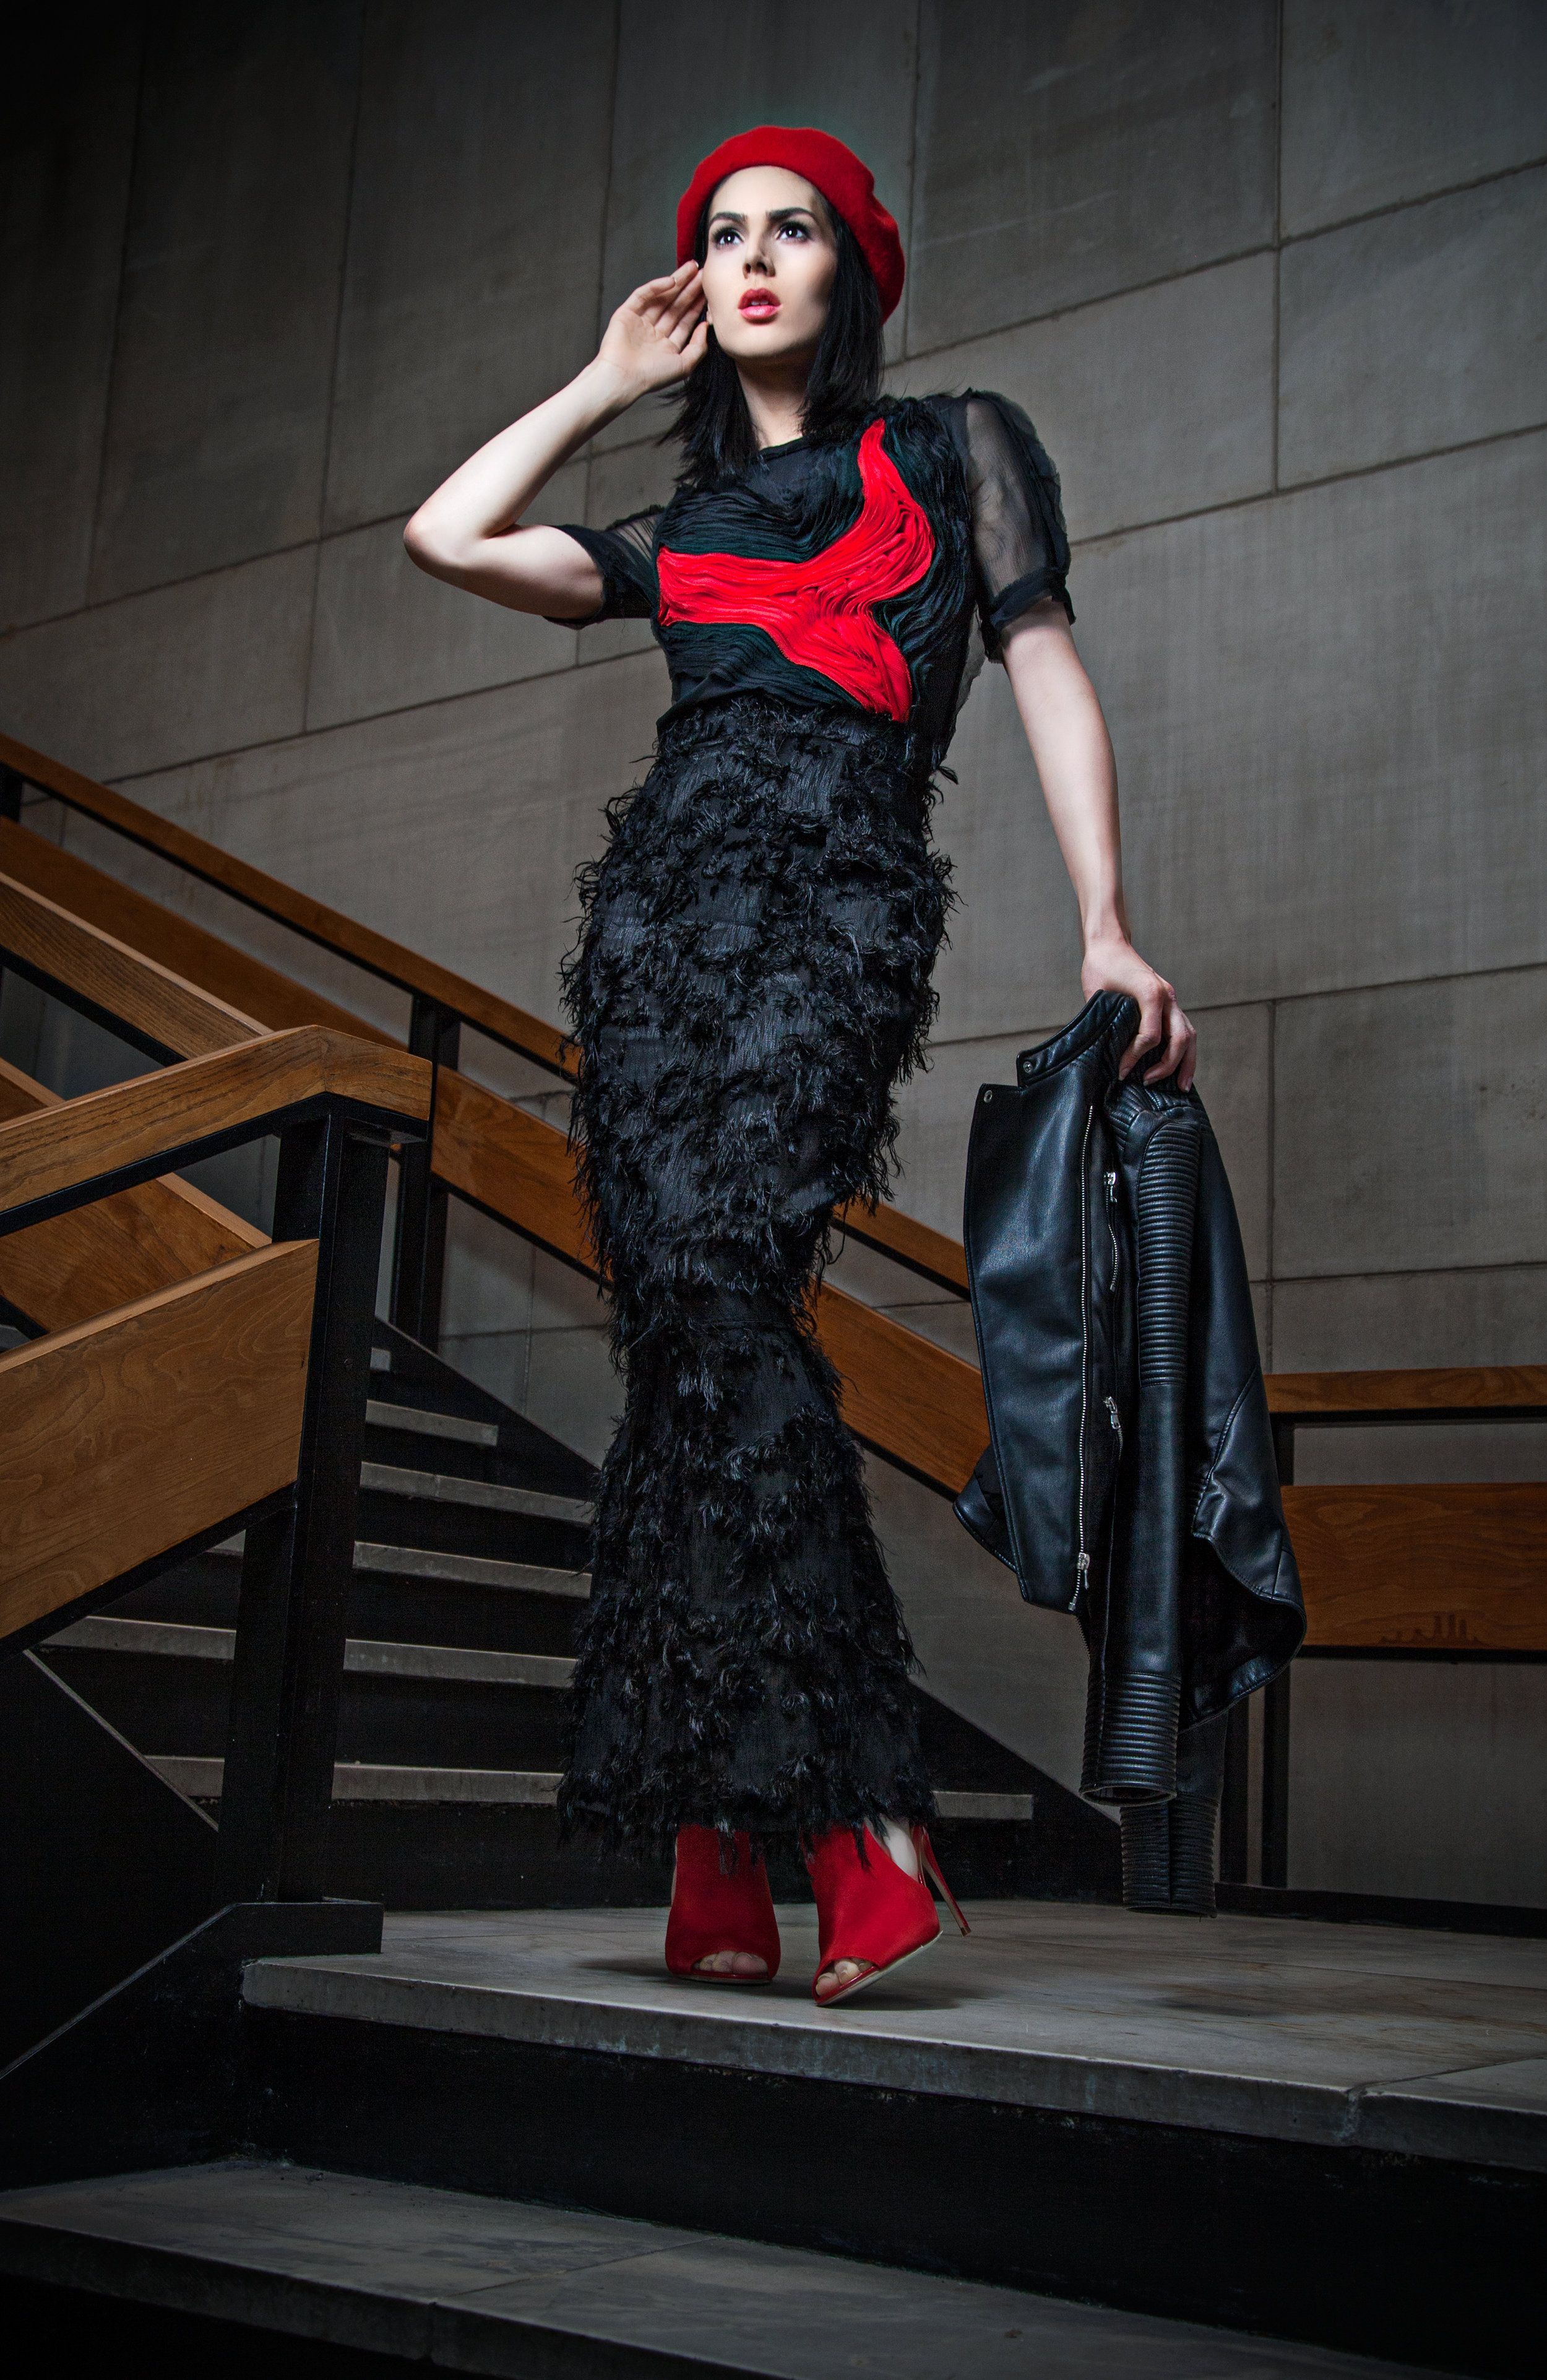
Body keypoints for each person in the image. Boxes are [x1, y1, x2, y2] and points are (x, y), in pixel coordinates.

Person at [404, 126, 1195, 2005]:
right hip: (658, 935)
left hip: (831, 914)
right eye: (722, 236)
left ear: (856, 272)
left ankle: (849, 1826)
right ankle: (715, 1857)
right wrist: (609, 379)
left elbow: (1044, 665)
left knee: (715, 1301)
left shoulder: (952, 445)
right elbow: (446, 536)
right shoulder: (670, 540)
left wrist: (1105, 923)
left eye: (793, 231)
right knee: (680, 1332)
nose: (753, 257)